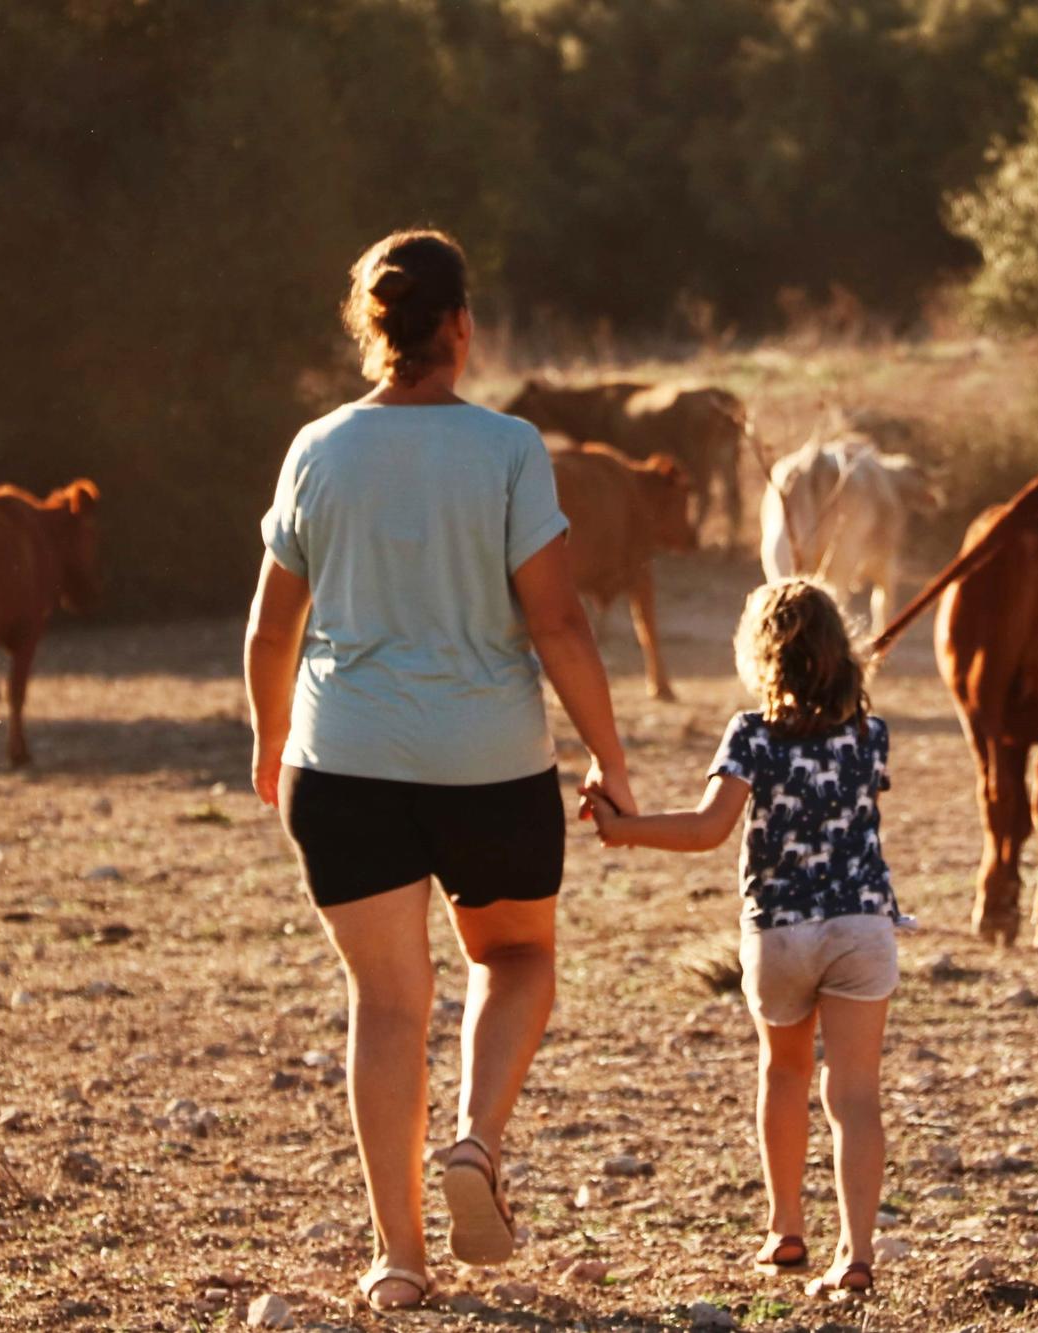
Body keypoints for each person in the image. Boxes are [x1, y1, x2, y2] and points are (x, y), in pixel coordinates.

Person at [243, 229, 634, 1311]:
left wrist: (271, 741)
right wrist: (610, 755)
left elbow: (271, 632)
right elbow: (556, 622)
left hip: (345, 762)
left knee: (385, 1003)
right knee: (514, 957)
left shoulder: (315, 449)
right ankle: (476, 1142)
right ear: (459, 327)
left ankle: (399, 1258)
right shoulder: (507, 449)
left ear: (372, 330)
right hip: (488, 764)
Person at [586, 579, 896, 1300]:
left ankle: (785, 1227)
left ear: (762, 657)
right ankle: (856, 1252)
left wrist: (623, 829)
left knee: (783, 1071)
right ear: (840, 655)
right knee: (854, 1092)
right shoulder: (868, 735)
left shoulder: (751, 734)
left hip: (779, 932)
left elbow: (706, 829)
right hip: (861, 925)